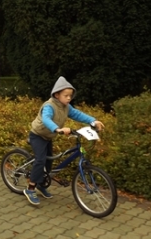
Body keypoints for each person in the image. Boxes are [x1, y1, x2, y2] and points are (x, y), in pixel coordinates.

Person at [24, 76, 105, 206]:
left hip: (48, 137)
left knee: (48, 162)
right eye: (66, 95)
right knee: (40, 160)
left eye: (70, 96)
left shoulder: (66, 107)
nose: (69, 98)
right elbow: (46, 119)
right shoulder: (49, 106)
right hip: (38, 135)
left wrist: (93, 121)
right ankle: (31, 188)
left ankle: (41, 184)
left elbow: (77, 114)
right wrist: (57, 129)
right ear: (57, 95)